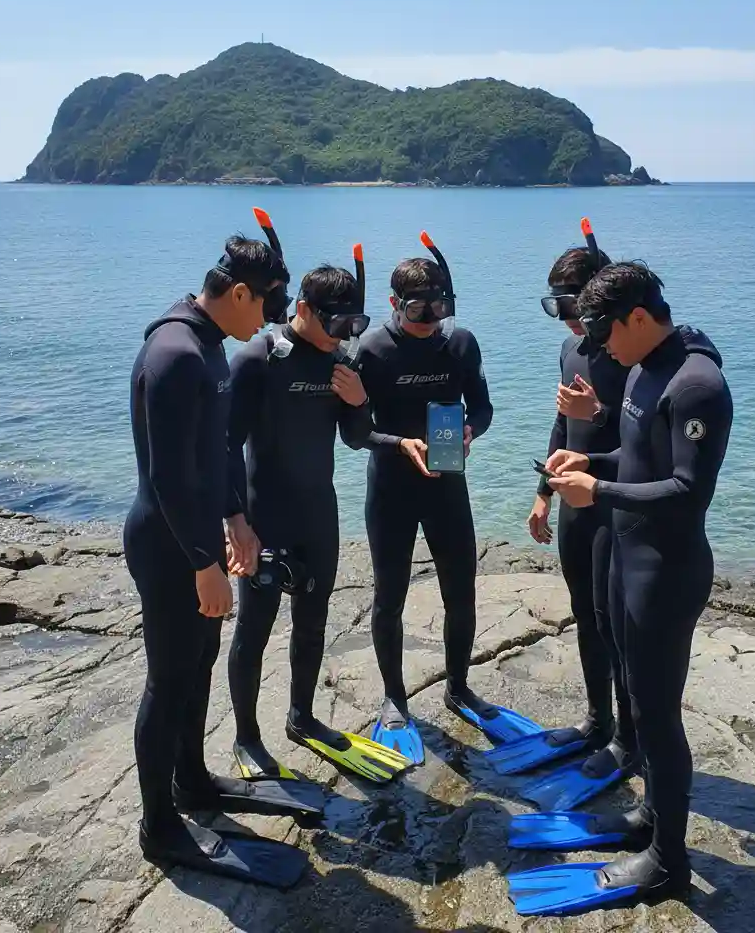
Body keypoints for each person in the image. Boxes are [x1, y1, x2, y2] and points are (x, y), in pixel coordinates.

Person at [507, 261, 733, 915]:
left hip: (667, 569)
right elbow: (638, 458)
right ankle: (648, 818)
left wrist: (598, 489)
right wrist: (590, 459)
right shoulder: (641, 366)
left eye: (606, 330)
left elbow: (688, 492)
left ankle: (669, 862)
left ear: (639, 316)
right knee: (636, 698)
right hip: (626, 562)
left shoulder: (697, 385)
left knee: (659, 717)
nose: (597, 345)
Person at [123, 233, 319, 890]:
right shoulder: (176, 353)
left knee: (199, 660)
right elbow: (171, 474)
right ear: (238, 292)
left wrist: (236, 516)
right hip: (169, 543)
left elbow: (218, 448)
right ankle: (161, 825)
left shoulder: (208, 346)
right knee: (169, 678)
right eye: (268, 305)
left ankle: (192, 783)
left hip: (201, 535)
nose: (269, 319)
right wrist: (204, 561)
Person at [225, 247, 413, 784]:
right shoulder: (258, 358)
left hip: (318, 520)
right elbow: (225, 445)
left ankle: (301, 717)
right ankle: (245, 736)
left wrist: (359, 403)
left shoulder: (339, 362)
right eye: (335, 322)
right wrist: (234, 521)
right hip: (263, 521)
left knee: (312, 626)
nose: (344, 334)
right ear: (302, 308)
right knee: (254, 631)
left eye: (355, 324)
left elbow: (357, 439)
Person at [358, 232, 539, 763]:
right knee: (389, 597)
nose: (431, 318)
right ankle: (395, 698)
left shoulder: (459, 343)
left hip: (447, 485)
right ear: (394, 304)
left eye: (440, 306)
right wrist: (399, 442)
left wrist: (469, 433)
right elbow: (355, 430)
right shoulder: (373, 348)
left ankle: (457, 686)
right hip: (391, 488)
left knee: (461, 592)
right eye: (419, 309)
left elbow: (482, 408)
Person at [487, 230, 638, 801]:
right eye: (556, 308)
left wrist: (597, 409)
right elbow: (562, 428)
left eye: (572, 307)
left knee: (615, 623)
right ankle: (598, 721)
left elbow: (649, 438)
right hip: (574, 507)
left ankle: (630, 735)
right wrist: (542, 493)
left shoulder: (631, 355)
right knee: (584, 614)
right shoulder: (572, 350)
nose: (566, 321)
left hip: (615, 506)